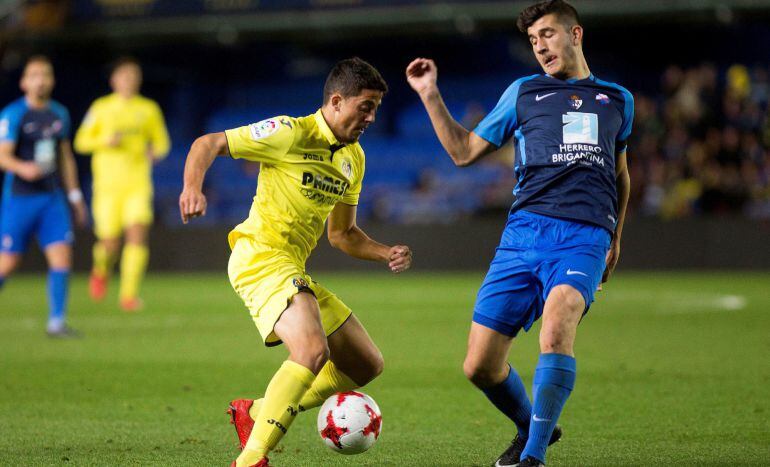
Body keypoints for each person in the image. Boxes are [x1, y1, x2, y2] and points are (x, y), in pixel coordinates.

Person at [406, 0, 633, 465]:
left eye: (547, 34)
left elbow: (621, 174)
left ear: (576, 34)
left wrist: (616, 237)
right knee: (480, 366)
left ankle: (532, 457)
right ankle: (536, 429)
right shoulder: (523, 92)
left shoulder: (618, 100)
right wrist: (430, 93)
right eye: (533, 40)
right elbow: (464, 152)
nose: (539, 46)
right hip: (523, 235)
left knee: (558, 322)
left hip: (584, 234)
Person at [179, 57, 412, 467]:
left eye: (376, 108)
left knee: (365, 364)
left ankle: (255, 412)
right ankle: (251, 459)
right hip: (260, 255)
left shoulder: (353, 160)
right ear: (337, 101)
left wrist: (384, 252)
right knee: (310, 349)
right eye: (366, 106)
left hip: (292, 269)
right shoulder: (289, 133)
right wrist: (192, 188)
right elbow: (207, 143)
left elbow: (342, 235)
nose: (372, 117)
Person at [0, 55, 88, 337]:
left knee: (62, 257)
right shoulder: (14, 114)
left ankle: (56, 322)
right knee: (9, 261)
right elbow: (2, 156)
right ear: (24, 82)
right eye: (35, 74)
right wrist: (22, 167)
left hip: (51, 199)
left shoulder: (59, 113)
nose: (41, 79)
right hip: (20, 198)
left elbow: (65, 158)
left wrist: (75, 196)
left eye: (46, 74)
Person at [73, 57, 170, 311]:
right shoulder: (100, 108)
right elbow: (81, 141)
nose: (129, 81)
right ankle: (100, 269)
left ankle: (128, 295)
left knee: (137, 234)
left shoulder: (148, 109)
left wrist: (155, 152)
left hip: (137, 183)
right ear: (114, 80)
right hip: (107, 186)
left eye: (133, 76)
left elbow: (162, 142)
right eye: (124, 76)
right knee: (109, 242)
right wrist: (105, 141)